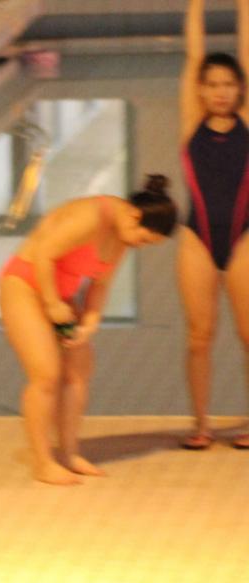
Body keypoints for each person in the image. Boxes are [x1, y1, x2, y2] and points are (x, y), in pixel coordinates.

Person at [0, 179, 177, 485]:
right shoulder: (92, 216)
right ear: (135, 217)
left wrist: (91, 322)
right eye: (145, 239)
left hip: (62, 296)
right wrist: (52, 303)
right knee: (46, 374)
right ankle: (43, 462)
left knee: (79, 371)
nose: (141, 245)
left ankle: (69, 454)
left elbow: (101, 283)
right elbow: (43, 254)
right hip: (25, 286)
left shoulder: (122, 236)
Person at [179, 0, 249, 449]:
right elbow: (192, 56)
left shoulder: (248, 123)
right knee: (200, 335)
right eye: (212, 84)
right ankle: (201, 425)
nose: (221, 91)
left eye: (229, 84)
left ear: (240, 89)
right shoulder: (190, 124)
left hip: (244, 241)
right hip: (196, 241)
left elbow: (248, 51)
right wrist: (196, 5)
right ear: (201, 91)